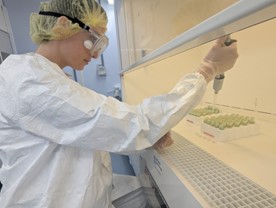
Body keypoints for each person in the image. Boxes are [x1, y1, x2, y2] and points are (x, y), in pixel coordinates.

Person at [0, 0, 238, 207]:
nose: (95, 54)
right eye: (94, 39)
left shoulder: (48, 77)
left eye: (101, 45)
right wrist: (207, 70)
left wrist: (147, 135)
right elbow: (133, 124)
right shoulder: (29, 80)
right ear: (63, 24)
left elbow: (92, 132)